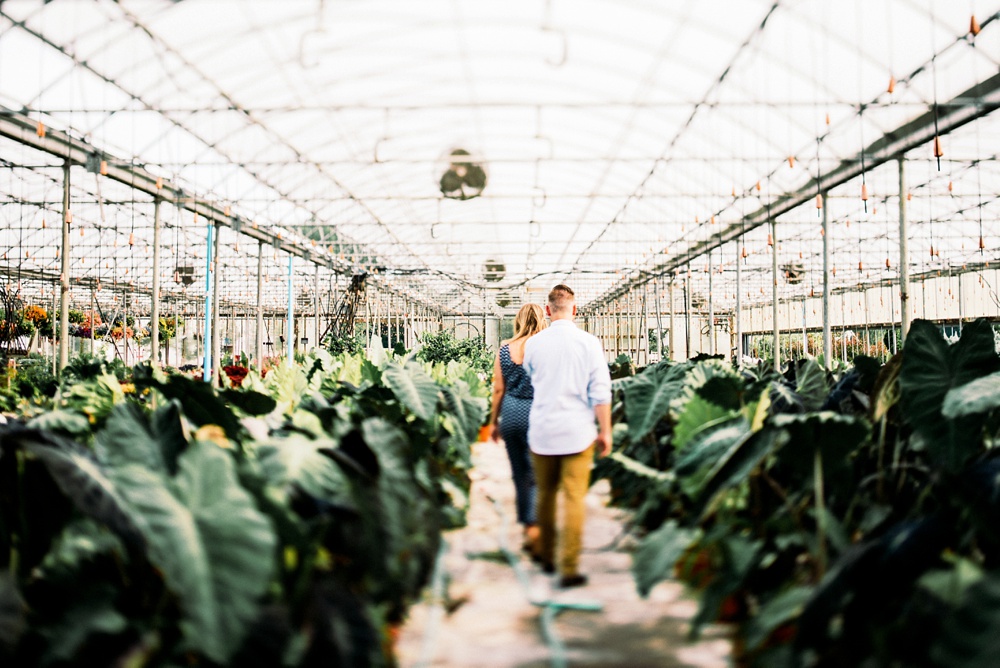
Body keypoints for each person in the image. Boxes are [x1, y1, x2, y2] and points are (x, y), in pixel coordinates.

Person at [523, 284, 612, 588]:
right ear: (575, 309)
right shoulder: (589, 343)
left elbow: (532, 378)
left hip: (543, 430)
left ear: (547, 310)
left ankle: (547, 557)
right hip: (578, 432)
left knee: (546, 495)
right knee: (574, 498)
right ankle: (569, 567)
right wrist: (606, 432)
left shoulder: (534, 345)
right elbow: (601, 392)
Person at [488, 303, 548, 552]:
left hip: (512, 414)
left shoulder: (504, 349)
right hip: (539, 414)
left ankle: (527, 525)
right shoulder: (546, 348)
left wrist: (493, 422)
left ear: (518, 321)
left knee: (520, 475)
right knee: (538, 475)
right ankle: (536, 528)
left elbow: (499, 389)